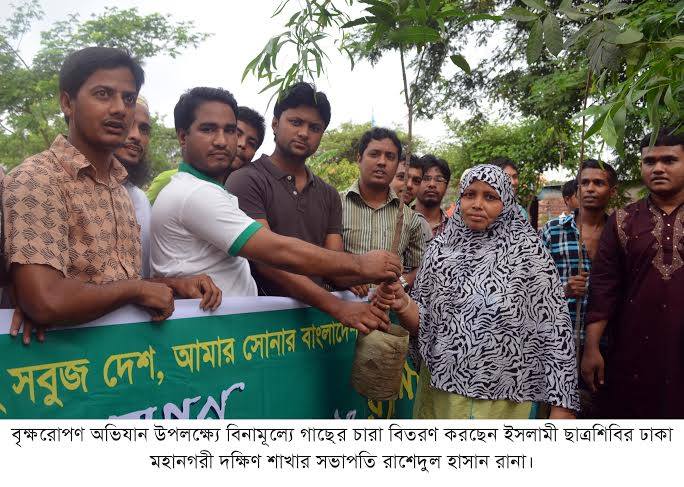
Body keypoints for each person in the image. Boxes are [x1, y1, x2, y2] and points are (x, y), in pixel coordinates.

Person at [2, 47, 221, 345]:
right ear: (67, 102)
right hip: (60, 365)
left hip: (122, 360)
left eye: (128, 98)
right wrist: (137, 290)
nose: (120, 109)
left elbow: (108, 284)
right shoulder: (38, 178)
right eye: (103, 94)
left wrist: (172, 285)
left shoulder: (119, 188)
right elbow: (45, 300)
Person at [151, 87, 400, 334]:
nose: (222, 140)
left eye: (229, 130)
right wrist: (357, 268)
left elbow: (334, 266)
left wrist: (374, 280)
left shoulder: (210, 190)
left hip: (250, 332)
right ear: (182, 136)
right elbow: (273, 253)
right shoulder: (200, 192)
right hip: (211, 336)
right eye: (207, 129)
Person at [374, 164, 578, 419]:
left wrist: (562, 405)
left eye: (490, 197)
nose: (477, 204)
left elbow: (555, 332)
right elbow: (425, 328)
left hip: (504, 400)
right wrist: (403, 302)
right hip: (442, 395)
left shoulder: (529, 256)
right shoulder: (440, 252)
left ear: (506, 202)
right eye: (469, 194)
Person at [226, 82, 390, 331]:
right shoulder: (245, 180)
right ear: (275, 124)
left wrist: (379, 275)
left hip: (315, 325)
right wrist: (338, 305)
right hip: (260, 326)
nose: (304, 133)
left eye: (314, 128)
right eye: (295, 122)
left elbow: (334, 264)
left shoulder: (329, 194)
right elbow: (266, 261)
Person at [581, 128, 684, 418]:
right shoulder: (622, 220)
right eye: (650, 161)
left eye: (669, 160)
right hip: (633, 351)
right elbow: (604, 288)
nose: (658, 168)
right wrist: (591, 347)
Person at [540, 160, 617, 416]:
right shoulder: (552, 232)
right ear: (577, 189)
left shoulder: (621, 233)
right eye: (584, 183)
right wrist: (563, 290)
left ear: (612, 190)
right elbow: (532, 289)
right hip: (559, 344)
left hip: (608, 344)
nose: (590, 188)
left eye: (599, 183)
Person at [340, 128, 426, 295]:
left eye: (390, 157)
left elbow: (420, 266)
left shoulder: (410, 218)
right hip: (337, 306)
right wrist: (342, 278)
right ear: (359, 158)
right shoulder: (335, 204)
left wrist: (401, 283)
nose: (382, 162)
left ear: (397, 164)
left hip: (388, 307)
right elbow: (319, 254)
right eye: (374, 154)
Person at [146, 105, 265, 204]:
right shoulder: (169, 180)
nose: (242, 144)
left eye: (251, 143)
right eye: (236, 134)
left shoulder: (249, 194)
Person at [414, 154, 451, 237]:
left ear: (446, 186)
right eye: (425, 178)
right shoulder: (400, 221)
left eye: (439, 179)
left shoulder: (454, 228)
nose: (432, 184)